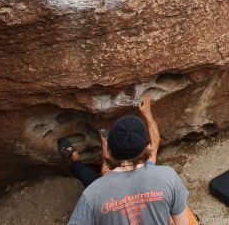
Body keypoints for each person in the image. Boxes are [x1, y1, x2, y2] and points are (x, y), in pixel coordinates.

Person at [60, 95, 191, 225]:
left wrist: (104, 142)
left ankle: (74, 157)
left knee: (83, 172)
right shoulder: (167, 177)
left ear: (111, 150)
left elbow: (106, 167)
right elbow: (155, 141)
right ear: (144, 148)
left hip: (105, 184)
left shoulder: (93, 193)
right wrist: (147, 112)